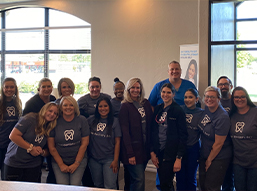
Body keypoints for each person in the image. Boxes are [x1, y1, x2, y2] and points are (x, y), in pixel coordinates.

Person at [4, 102, 58, 182]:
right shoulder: (30, 118)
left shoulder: (51, 127)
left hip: (33, 165)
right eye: (50, 111)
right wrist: (30, 148)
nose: (52, 114)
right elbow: (13, 136)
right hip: (15, 162)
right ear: (44, 110)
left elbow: (48, 150)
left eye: (55, 113)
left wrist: (42, 152)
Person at [151, 83, 187, 191]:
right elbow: (153, 131)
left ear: (173, 94)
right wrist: (152, 152)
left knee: (166, 183)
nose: (165, 95)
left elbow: (183, 135)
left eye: (168, 92)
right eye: (163, 92)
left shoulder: (178, 111)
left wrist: (178, 158)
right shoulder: (158, 109)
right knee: (162, 181)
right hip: (159, 151)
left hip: (171, 153)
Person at [119, 77, 153, 191]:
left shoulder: (146, 103)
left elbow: (149, 126)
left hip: (144, 149)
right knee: (139, 179)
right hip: (132, 150)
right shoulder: (125, 106)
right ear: (128, 89)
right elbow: (125, 131)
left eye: (137, 87)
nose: (135, 90)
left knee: (134, 179)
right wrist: (130, 153)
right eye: (132, 87)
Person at [48, 96, 90, 185]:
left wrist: (76, 163)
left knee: (75, 185)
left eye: (71, 105)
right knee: (62, 186)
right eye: (65, 105)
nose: (68, 107)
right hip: (59, 161)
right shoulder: (55, 121)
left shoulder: (82, 120)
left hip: (78, 160)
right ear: (61, 107)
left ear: (75, 107)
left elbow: (84, 143)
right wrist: (61, 164)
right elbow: (51, 147)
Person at [78, 76, 111, 187]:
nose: (95, 89)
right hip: (90, 137)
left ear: (100, 87)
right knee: (92, 174)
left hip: (106, 136)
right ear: (88, 87)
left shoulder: (107, 98)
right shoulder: (82, 100)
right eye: (92, 87)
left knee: (110, 180)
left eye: (97, 87)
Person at [198, 86, 232, 191]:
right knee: (203, 185)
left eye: (213, 97)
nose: (209, 99)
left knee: (211, 187)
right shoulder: (207, 110)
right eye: (207, 96)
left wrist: (209, 160)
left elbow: (218, 144)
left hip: (218, 157)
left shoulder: (222, 117)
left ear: (219, 99)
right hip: (205, 153)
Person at [88, 97, 121, 189]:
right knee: (98, 186)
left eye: (105, 106)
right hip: (94, 159)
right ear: (97, 108)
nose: (103, 108)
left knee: (110, 186)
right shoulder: (91, 120)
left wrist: (115, 160)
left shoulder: (115, 121)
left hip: (109, 159)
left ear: (109, 107)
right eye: (100, 106)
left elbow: (117, 142)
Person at [230, 86, 257, 191]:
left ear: (247, 98)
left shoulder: (255, 113)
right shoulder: (231, 115)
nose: (239, 99)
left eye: (242, 97)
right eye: (236, 97)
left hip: (255, 162)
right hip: (238, 162)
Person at [176, 88, 203, 191]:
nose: (187, 99)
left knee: (191, 177)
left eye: (190, 97)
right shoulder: (180, 109)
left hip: (193, 148)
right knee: (180, 177)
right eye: (186, 97)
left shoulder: (201, 113)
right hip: (180, 148)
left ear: (196, 99)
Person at [0, 78, 22, 180]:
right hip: (0, 143)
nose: (9, 89)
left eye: (11, 87)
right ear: (2, 89)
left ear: (15, 88)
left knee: (6, 175)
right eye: (6, 87)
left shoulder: (17, 102)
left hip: (11, 145)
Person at [217, 76, 234, 191]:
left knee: (230, 176)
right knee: (218, 176)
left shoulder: (236, 101)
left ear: (231, 86)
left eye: (226, 84)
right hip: (218, 144)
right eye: (221, 85)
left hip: (233, 143)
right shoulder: (215, 101)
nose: (223, 87)